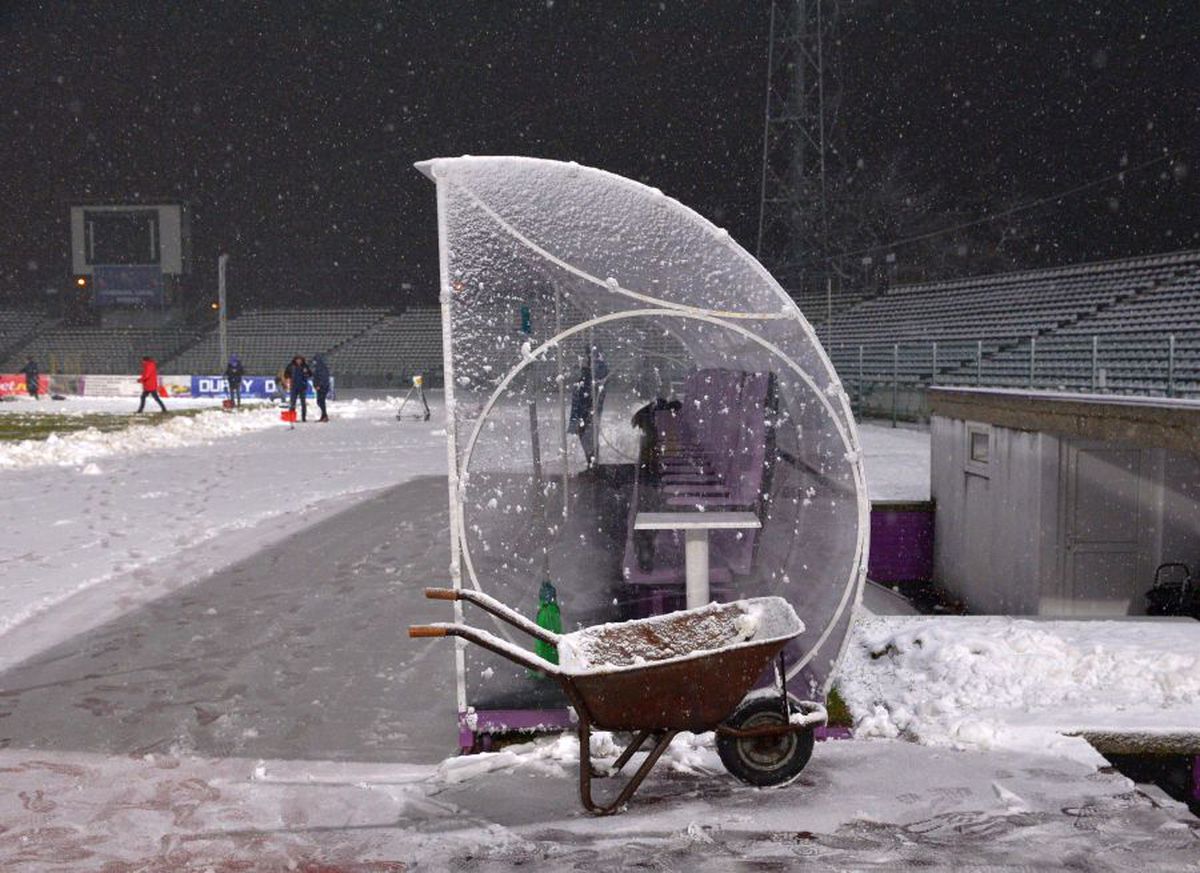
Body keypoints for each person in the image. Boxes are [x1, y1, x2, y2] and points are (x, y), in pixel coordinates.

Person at [567, 347, 608, 468]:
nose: (582, 359)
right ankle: (591, 463)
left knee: (588, 434)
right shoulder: (586, 370)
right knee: (585, 433)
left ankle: (593, 463)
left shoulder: (596, 366)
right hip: (584, 403)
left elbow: (601, 376)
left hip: (589, 403)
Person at [286, 354, 312, 422]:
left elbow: (310, 374)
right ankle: (291, 418)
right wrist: (289, 378)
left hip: (302, 387)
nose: (299, 361)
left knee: (303, 403)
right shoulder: (291, 366)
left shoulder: (305, 366)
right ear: (295, 360)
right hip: (293, 387)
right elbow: (286, 374)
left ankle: (303, 418)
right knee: (292, 403)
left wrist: (307, 373)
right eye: (297, 359)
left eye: (300, 360)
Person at [311, 353, 331, 422]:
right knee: (320, 401)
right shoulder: (318, 367)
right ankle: (323, 416)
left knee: (320, 401)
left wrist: (319, 385)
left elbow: (323, 378)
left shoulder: (321, 367)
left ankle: (324, 416)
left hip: (322, 387)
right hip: (320, 387)